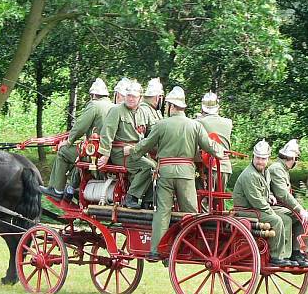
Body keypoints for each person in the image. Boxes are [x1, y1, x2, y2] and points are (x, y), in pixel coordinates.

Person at [124, 86, 224, 258]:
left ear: (170, 106)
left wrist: (132, 151)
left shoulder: (161, 125)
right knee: (191, 213)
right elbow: (209, 146)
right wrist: (221, 152)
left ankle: (156, 250)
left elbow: (146, 145)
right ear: (183, 107)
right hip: (186, 174)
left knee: (162, 211)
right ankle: (193, 248)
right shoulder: (195, 125)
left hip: (165, 173)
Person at [40, 78, 114, 199]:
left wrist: (68, 141)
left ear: (93, 95)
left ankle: (57, 190)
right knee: (77, 153)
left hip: (96, 154)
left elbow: (80, 127)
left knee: (63, 152)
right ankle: (72, 187)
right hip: (110, 152)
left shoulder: (94, 105)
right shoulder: (114, 106)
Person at [232, 140, 295, 267]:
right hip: (247, 210)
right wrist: (271, 211)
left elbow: (265, 190)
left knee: (288, 217)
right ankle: (274, 256)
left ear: (268, 159)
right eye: (258, 158)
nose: (260, 161)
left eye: (263, 158)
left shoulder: (265, 172)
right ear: (253, 157)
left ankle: (286, 254)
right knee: (276, 220)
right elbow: (257, 201)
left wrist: (270, 195)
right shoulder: (249, 175)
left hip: (258, 208)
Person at [97, 81, 155, 209]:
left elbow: (153, 132)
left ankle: (148, 201)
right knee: (149, 167)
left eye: (134, 96)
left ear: (140, 97)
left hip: (137, 151)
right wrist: (105, 155)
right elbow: (107, 133)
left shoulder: (144, 112)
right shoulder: (116, 110)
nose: (130, 98)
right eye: (128, 95)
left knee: (157, 167)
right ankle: (131, 197)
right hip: (121, 152)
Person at [268, 139, 308, 267]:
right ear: (291, 158)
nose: (296, 162)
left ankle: (300, 252)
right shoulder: (276, 169)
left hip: (282, 206)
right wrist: (299, 209)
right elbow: (282, 194)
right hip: (273, 207)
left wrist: (300, 210)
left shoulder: (283, 169)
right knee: (289, 218)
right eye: (296, 159)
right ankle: (284, 254)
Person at [196, 91, 233, 189]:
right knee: (219, 201)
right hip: (225, 167)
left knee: (204, 201)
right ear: (218, 108)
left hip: (207, 167)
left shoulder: (198, 122)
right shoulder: (228, 122)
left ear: (202, 108)